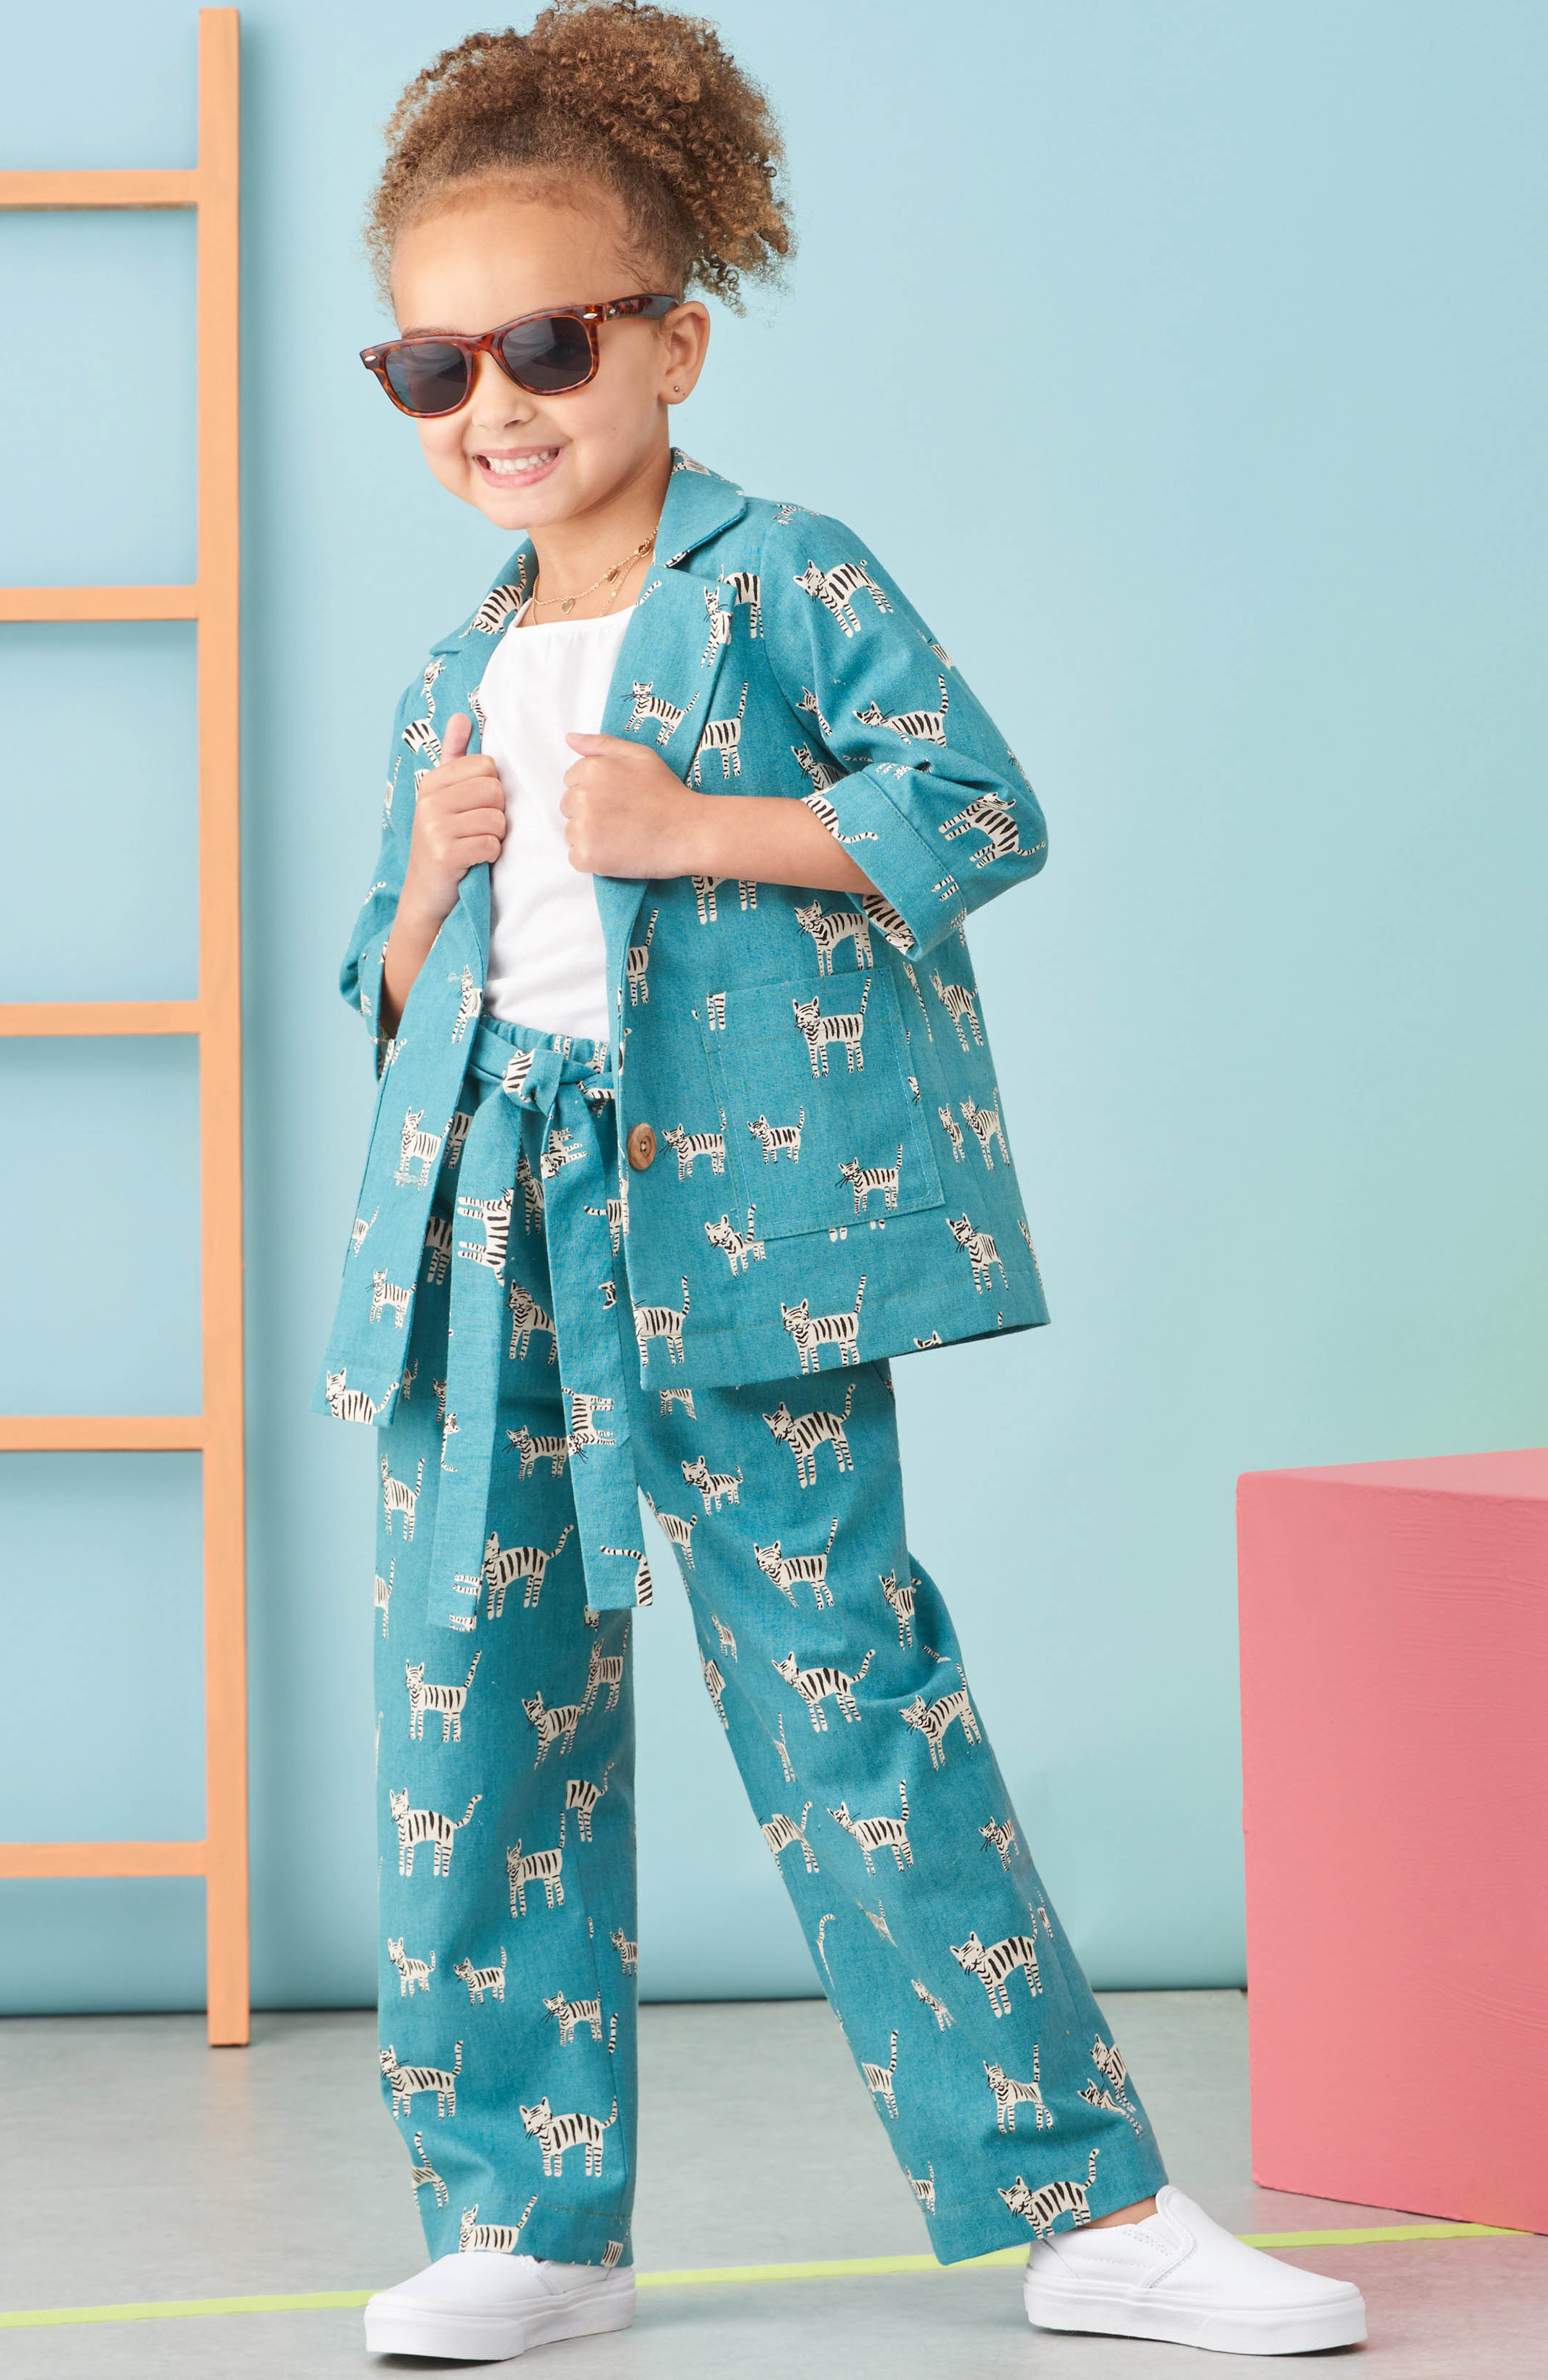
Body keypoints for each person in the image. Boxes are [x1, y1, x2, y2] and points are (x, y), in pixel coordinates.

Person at [311, 1, 1367, 2361]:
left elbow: (978, 808)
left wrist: (702, 826)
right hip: (480, 1244)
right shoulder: (448, 673)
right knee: (472, 1705)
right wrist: (425, 891)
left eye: (549, 344)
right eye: (431, 368)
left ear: (673, 342)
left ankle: (1083, 2202)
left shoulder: (786, 579)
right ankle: (525, 2214)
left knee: (844, 1679)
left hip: (730, 1231)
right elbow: (395, 991)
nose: (494, 405)